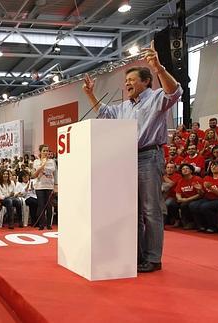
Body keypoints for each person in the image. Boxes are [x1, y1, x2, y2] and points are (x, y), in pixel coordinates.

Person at [82, 40, 182, 273]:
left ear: (146, 82)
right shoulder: (124, 106)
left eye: (131, 80)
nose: (127, 84)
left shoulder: (156, 97)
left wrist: (159, 68)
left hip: (149, 157)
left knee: (150, 211)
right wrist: (90, 94)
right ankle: (135, 255)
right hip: (126, 160)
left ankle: (153, 258)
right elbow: (105, 113)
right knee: (133, 212)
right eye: (126, 81)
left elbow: (175, 91)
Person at [32, 144, 56, 230]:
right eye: (44, 151)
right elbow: (37, 171)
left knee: (49, 205)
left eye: (47, 151)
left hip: (49, 185)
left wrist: (42, 168)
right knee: (41, 205)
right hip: (39, 186)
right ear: (40, 152)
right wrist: (43, 165)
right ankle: (41, 224)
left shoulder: (52, 161)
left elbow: (51, 170)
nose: (46, 152)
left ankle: (49, 224)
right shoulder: (36, 161)